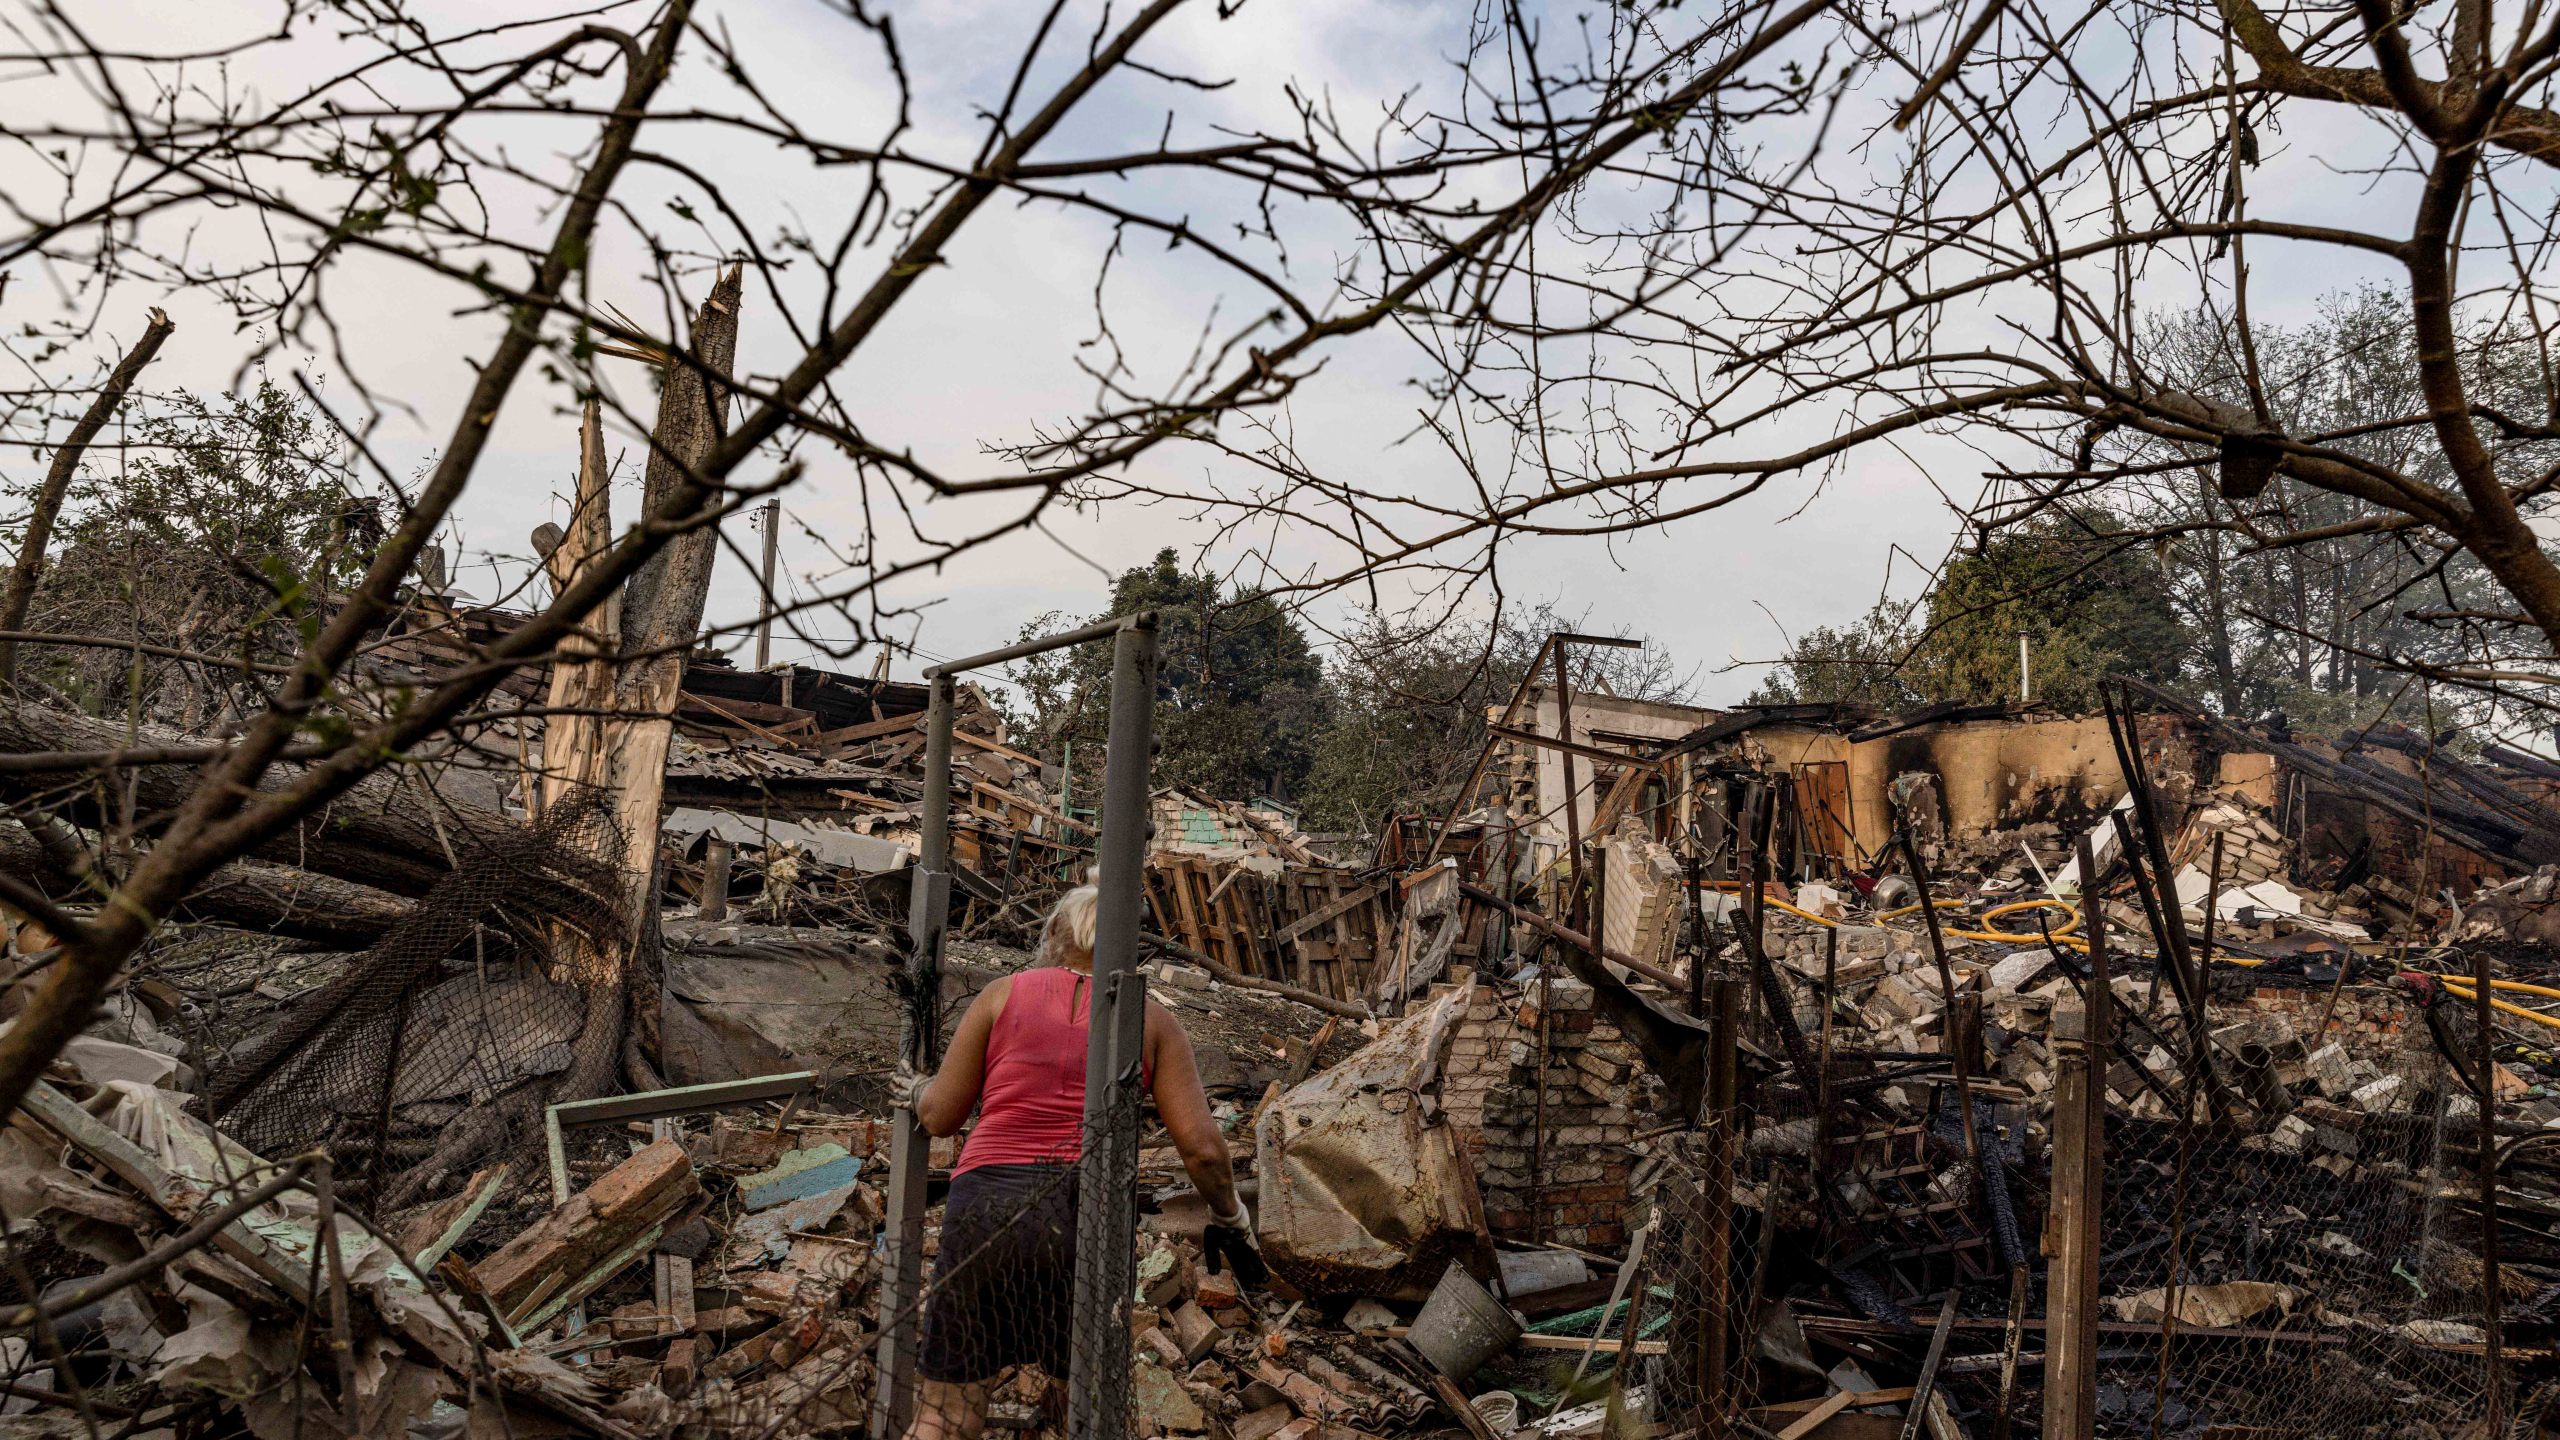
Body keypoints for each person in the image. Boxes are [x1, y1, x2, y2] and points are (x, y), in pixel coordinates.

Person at [904, 884, 1257, 1440]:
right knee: (1086, 1408)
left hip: (983, 1211)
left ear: (1052, 937)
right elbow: (1204, 1150)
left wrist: (918, 1088)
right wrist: (1231, 1216)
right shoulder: (1153, 1021)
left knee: (943, 1414)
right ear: (1130, 950)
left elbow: (941, 1115)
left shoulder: (1000, 995)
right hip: (1084, 1217)